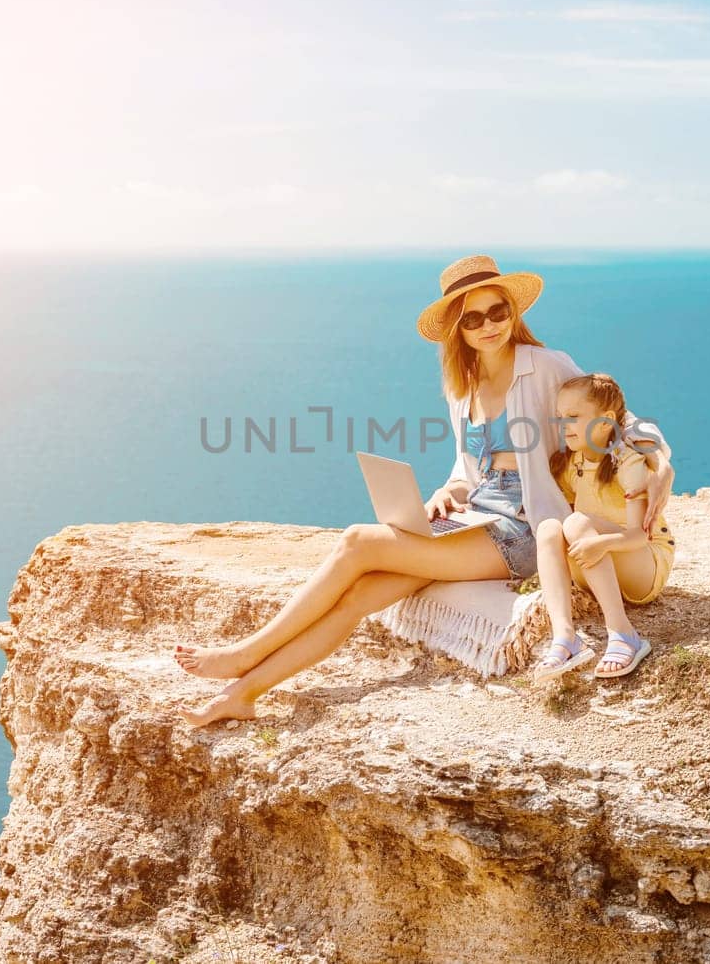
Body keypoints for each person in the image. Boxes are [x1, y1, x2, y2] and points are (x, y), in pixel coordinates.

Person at [172, 255, 675, 725]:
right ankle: (242, 694)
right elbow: (467, 469)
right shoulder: (465, 386)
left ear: (512, 311)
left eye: (496, 311)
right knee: (359, 596)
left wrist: (660, 466)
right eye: (472, 319)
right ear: (458, 329)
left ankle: (244, 653)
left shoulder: (545, 365)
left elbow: (620, 418)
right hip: (477, 515)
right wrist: (446, 493)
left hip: (523, 526)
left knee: (357, 542)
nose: (488, 326)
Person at [523, 372, 677, 682]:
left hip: (642, 564)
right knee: (550, 527)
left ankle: (623, 634)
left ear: (605, 420)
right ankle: (565, 638)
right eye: (559, 418)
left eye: (573, 416)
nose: (563, 426)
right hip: (596, 565)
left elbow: (638, 536)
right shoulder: (571, 464)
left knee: (578, 522)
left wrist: (601, 543)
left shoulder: (629, 463)